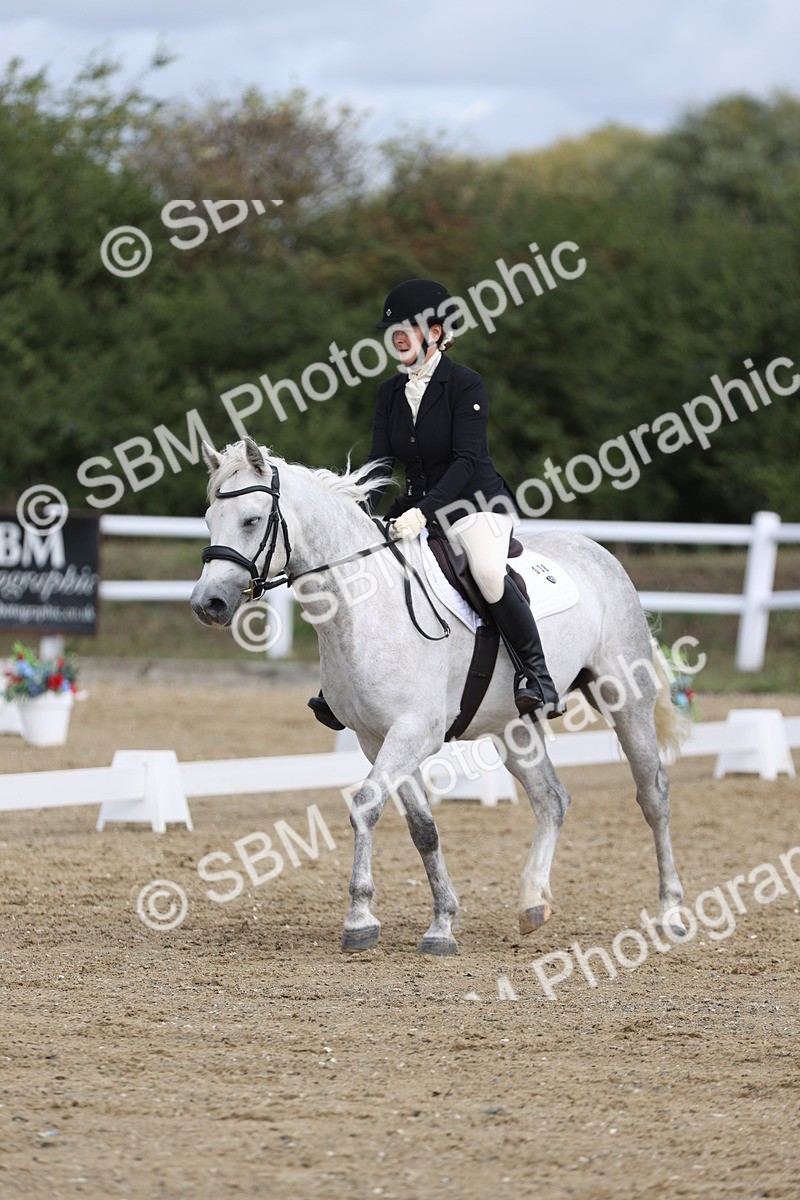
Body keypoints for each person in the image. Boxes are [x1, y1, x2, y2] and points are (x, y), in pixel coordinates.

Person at [308, 277, 562, 730]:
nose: (398, 337)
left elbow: (468, 460)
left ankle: (536, 675)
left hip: (476, 504)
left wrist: (423, 513)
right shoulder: (389, 393)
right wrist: (356, 513)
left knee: (486, 571)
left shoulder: (465, 384)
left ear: (438, 332)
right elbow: (379, 464)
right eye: (393, 330)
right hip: (414, 509)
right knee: (362, 571)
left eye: (408, 327)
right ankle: (342, 687)